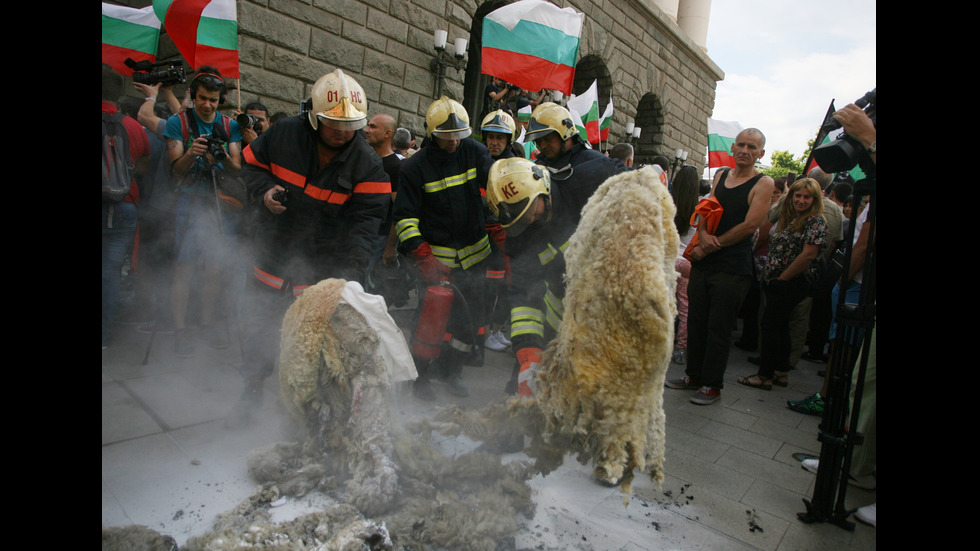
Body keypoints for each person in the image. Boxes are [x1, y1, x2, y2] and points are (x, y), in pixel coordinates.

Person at [238, 69, 390, 405]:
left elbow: (366, 227)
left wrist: (349, 280)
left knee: (310, 344)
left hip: (321, 267)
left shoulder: (368, 165)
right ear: (312, 117)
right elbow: (249, 166)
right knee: (258, 328)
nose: (340, 132)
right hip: (272, 256)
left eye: (349, 126)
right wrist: (265, 192)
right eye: (332, 124)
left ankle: (303, 405)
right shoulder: (284, 134)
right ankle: (250, 393)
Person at [489, 152, 630, 396]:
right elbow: (523, 298)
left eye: (530, 211)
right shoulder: (521, 236)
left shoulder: (589, 180)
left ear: (541, 186)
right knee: (526, 391)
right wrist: (528, 353)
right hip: (560, 318)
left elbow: (642, 186)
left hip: (613, 313)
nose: (530, 221)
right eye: (521, 219)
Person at [393, 96, 495, 400]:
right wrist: (422, 254)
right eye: (446, 136)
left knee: (466, 324)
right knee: (429, 322)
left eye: (458, 135)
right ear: (430, 132)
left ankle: (452, 372)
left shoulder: (475, 152)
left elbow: (493, 190)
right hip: (436, 261)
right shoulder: (415, 168)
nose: (453, 142)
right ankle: (419, 376)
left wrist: (497, 218)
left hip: (476, 256)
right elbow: (404, 218)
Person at [665, 128, 774, 405]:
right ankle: (693, 376)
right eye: (741, 144)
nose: (745, 150)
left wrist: (715, 243)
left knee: (719, 327)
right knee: (697, 320)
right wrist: (702, 237)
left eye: (752, 147)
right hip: (704, 260)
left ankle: (712, 385)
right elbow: (707, 209)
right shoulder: (721, 175)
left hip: (733, 266)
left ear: (760, 153)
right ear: (733, 148)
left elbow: (751, 225)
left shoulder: (763, 183)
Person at [163, 66, 243, 357]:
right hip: (189, 197)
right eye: (202, 98)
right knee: (184, 267)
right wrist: (191, 153)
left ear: (220, 99)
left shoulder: (229, 125)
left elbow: (236, 169)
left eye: (213, 99)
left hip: (218, 198)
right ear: (193, 96)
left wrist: (218, 156)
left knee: (214, 266)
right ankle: (180, 330)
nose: (207, 104)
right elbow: (176, 171)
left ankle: (207, 325)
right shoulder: (177, 123)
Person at [737, 178, 827, 389]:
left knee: (770, 327)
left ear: (815, 199)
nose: (802, 200)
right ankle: (780, 372)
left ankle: (764, 375)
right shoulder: (791, 215)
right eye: (798, 195)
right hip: (778, 280)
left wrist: (782, 279)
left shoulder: (815, 221)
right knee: (781, 326)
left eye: (807, 197)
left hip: (791, 282)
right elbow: (770, 218)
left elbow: (808, 255)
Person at [103, 65, 150, 349]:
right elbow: (143, 166)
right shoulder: (132, 126)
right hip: (125, 204)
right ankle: (106, 337)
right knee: (110, 272)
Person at [525, 102, 626, 181]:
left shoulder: (597, 163)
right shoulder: (537, 167)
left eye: (548, 139)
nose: (542, 146)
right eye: (538, 141)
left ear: (565, 133)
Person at [670, 165, 700, 364]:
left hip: (669, 260)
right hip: (688, 262)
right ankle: (681, 349)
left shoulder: (667, 204)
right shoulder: (701, 209)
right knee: (685, 307)